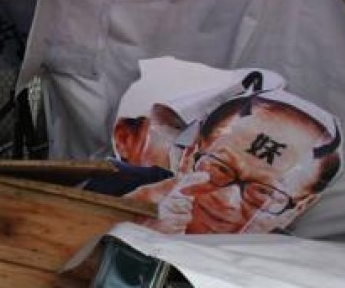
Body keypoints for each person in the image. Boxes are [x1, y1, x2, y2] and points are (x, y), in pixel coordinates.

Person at [125, 90, 342, 235]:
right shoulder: (122, 199)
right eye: (219, 169)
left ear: (298, 208)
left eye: (263, 193)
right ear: (190, 155)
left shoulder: (290, 280)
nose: (226, 201)